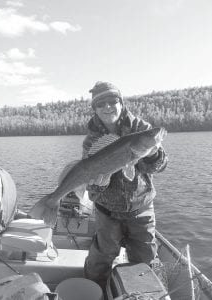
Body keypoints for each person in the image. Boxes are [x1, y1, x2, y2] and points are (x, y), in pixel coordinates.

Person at [82, 81, 168, 289]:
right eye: (100, 103)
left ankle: (141, 293)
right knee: (99, 261)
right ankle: (96, 291)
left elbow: (160, 165)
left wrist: (155, 153)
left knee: (145, 259)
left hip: (141, 208)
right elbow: (91, 187)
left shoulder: (141, 129)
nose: (107, 107)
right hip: (107, 211)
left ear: (121, 103)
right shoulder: (91, 140)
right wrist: (99, 184)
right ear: (95, 109)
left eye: (112, 101)